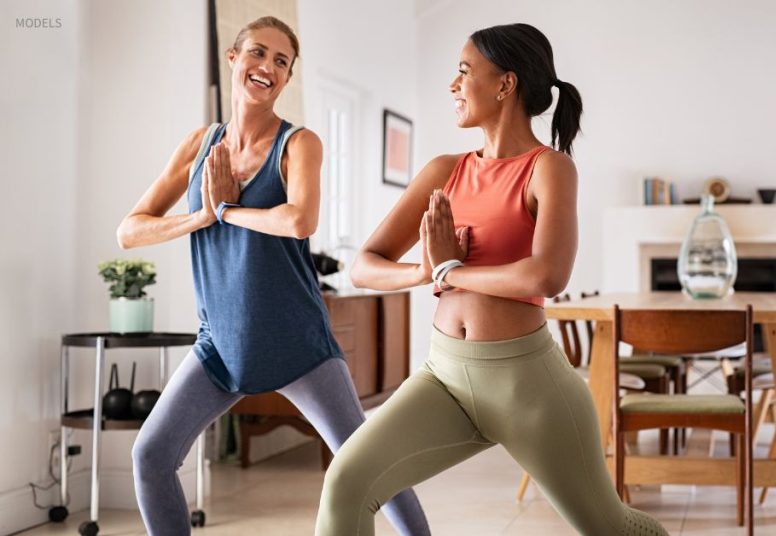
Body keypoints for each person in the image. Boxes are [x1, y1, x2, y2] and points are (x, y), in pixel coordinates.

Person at [315, 23, 668, 536]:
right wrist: (427, 270)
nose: (453, 84)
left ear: (505, 84)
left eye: (464, 71)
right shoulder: (444, 171)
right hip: (444, 378)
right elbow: (364, 264)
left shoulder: (549, 169)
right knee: (346, 481)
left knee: (608, 526)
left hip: (530, 389)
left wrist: (453, 270)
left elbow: (548, 274)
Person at [115, 16, 429, 535]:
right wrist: (200, 215)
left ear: (286, 79)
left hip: (297, 343)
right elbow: (129, 230)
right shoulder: (199, 145)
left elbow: (300, 220)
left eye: (281, 62)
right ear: (233, 59)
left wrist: (228, 212)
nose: (267, 67)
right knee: (150, 455)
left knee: (370, 465)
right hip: (220, 345)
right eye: (258, 53)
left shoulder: (299, 144)